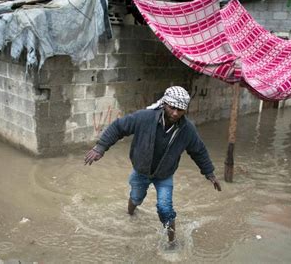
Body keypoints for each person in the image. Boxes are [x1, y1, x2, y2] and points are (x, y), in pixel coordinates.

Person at [84, 86, 221, 243]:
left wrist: (209, 173)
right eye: (172, 108)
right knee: (136, 198)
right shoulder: (144, 118)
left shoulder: (187, 130)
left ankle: (171, 243)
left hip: (164, 175)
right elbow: (119, 127)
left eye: (180, 110)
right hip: (141, 171)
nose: (176, 113)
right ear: (164, 104)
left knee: (165, 209)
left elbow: (198, 151)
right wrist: (101, 147)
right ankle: (130, 215)